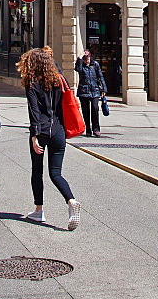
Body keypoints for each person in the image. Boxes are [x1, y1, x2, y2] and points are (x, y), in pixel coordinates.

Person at [17, 47, 81, 230]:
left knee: (37, 171)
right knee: (56, 173)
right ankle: (71, 200)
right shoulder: (59, 79)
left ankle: (39, 210)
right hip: (59, 131)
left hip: (42, 131)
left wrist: (34, 136)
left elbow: (34, 112)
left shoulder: (32, 82)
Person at [75, 48, 106, 138]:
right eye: (85, 58)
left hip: (95, 90)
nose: (86, 59)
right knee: (86, 111)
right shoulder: (81, 65)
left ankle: (96, 129)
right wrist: (79, 58)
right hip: (84, 91)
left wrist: (104, 89)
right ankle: (88, 129)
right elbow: (78, 69)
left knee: (95, 109)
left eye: (87, 57)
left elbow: (100, 76)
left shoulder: (95, 65)